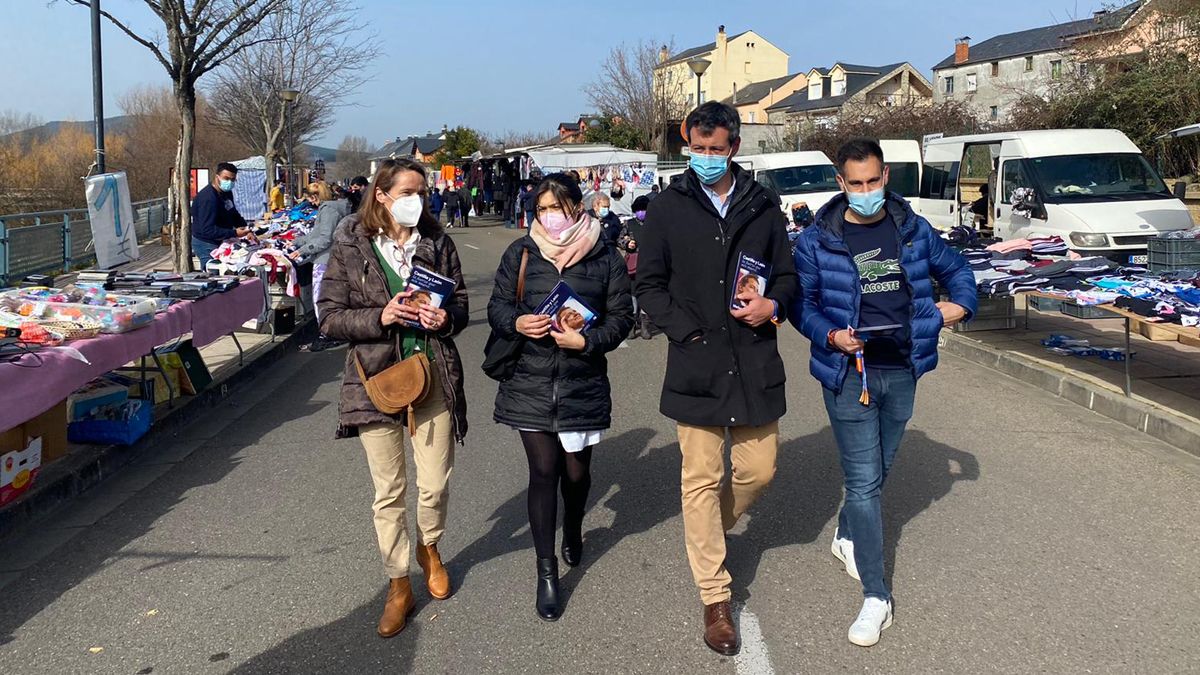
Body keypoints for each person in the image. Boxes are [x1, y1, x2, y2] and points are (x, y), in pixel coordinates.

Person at [791, 138, 976, 648]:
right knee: (866, 480)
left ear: (886, 175)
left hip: (903, 368)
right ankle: (876, 596)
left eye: (873, 181)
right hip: (850, 372)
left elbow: (958, 269)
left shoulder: (913, 230)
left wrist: (957, 305)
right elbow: (800, 305)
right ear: (841, 183)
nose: (866, 192)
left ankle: (847, 533)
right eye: (856, 184)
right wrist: (830, 334)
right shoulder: (815, 240)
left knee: (883, 467)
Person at [636, 101, 797, 656]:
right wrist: (690, 333)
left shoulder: (762, 207)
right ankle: (715, 595)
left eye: (717, 149)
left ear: (734, 147)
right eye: (697, 149)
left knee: (760, 469)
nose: (706, 158)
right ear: (688, 146)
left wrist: (771, 303)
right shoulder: (666, 208)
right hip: (696, 362)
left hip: (753, 358)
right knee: (699, 479)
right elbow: (649, 286)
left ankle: (705, 532)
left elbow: (788, 276)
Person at [318, 158, 470, 639]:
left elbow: (461, 302)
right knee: (389, 492)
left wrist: (445, 319)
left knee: (434, 484)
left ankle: (430, 546)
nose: (417, 200)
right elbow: (328, 317)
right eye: (407, 191)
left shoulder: (438, 242)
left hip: (433, 375)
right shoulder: (350, 244)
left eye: (421, 192)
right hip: (375, 381)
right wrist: (380, 316)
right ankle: (398, 582)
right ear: (381, 194)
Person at [486, 174, 634, 622]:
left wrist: (586, 342)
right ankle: (546, 571)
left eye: (559, 206)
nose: (551, 216)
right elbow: (497, 306)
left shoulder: (604, 254)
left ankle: (573, 523)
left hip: (581, 380)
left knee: (576, 473)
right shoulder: (522, 252)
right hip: (529, 379)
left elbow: (621, 318)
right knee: (543, 470)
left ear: (577, 206)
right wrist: (518, 323)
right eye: (543, 207)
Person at [291, 181, 351, 352]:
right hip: (328, 258)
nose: (310, 202)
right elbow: (317, 233)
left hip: (325, 259)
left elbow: (325, 238)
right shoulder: (331, 208)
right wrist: (297, 242)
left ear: (315, 196)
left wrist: (302, 249)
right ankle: (329, 332)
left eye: (310, 198)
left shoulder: (329, 210)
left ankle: (327, 334)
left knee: (321, 298)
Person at [191, 162, 252, 269]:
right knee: (214, 275)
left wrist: (247, 230)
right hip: (206, 243)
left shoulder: (226, 193)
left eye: (233, 180)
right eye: (226, 178)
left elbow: (233, 213)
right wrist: (234, 233)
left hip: (220, 240)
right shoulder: (208, 198)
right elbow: (207, 229)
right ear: (217, 177)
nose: (229, 182)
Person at [619, 195, 653, 340]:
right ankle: (632, 325)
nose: (641, 212)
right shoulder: (628, 223)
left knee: (647, 294)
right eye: (639, 210)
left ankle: (645, 326)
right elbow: (620, 239)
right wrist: (627, 244)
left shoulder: (654, 223)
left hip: (650, 264)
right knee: (632, 296)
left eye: (644, 209)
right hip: (632, 264)